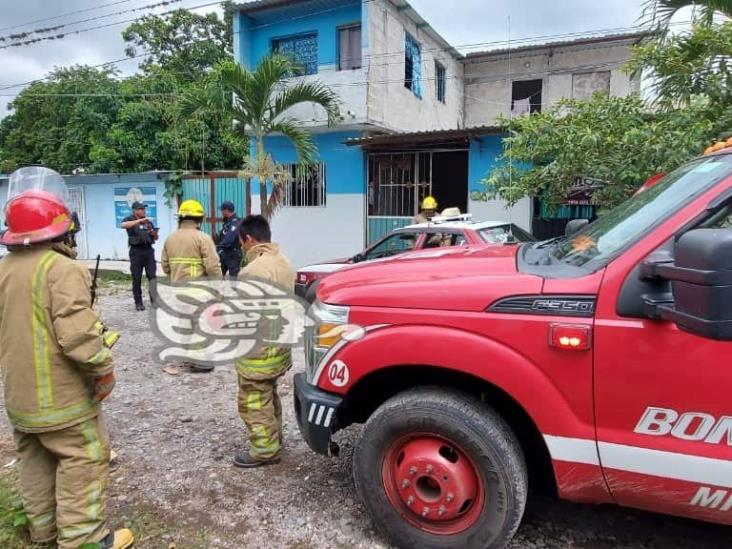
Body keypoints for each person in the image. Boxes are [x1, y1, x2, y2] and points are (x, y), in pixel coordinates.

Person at [0, 167, 133, 549]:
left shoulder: (4, 270)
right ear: (61, 227)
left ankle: (43, 534)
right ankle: (84, 540)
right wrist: (104, 369)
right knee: (84, 459)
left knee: (35, 463)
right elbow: (79, 339)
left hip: (21, 402)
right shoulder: (62, 269)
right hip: (64, 402)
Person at [233, 215, 294, 468]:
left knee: (253, 399)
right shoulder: (283, 261)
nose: (241, 248)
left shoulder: (252, 270)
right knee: (268, 391)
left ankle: (264, 450)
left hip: (258, 349)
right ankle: (274, 438)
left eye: (241, 243)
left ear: (248, 239)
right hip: (279, 344)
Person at [161, 199, 222, 373]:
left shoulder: (170, 239)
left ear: (181, 218)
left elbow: (165, 266)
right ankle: (200, 361)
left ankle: (189, 356)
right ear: (199, 219)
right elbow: (213, 267)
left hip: (178, 291)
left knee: (185, 324)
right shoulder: (203, 238)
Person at [120, 201, 158, 311]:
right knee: (136, 278)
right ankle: (138, 302)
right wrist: (140, 220)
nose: (143, 211)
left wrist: (153, 233)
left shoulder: (148, 222)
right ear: (135, 210)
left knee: (152, 276)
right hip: (136, 252)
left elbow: (156, 237)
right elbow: (123, 225)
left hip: (148, 251)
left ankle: (154, 301)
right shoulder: (130, 219)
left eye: (144, 209)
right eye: (141, 209)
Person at [216, 201, 242, 279]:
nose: (221, 212)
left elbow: (229, 238)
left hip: (232, 254)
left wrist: (219, 247)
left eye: (222, 210)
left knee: (233, 279)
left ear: (227, 210)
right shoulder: (228, 222)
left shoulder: (235, 222)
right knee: (218, 277)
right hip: (225, 253)